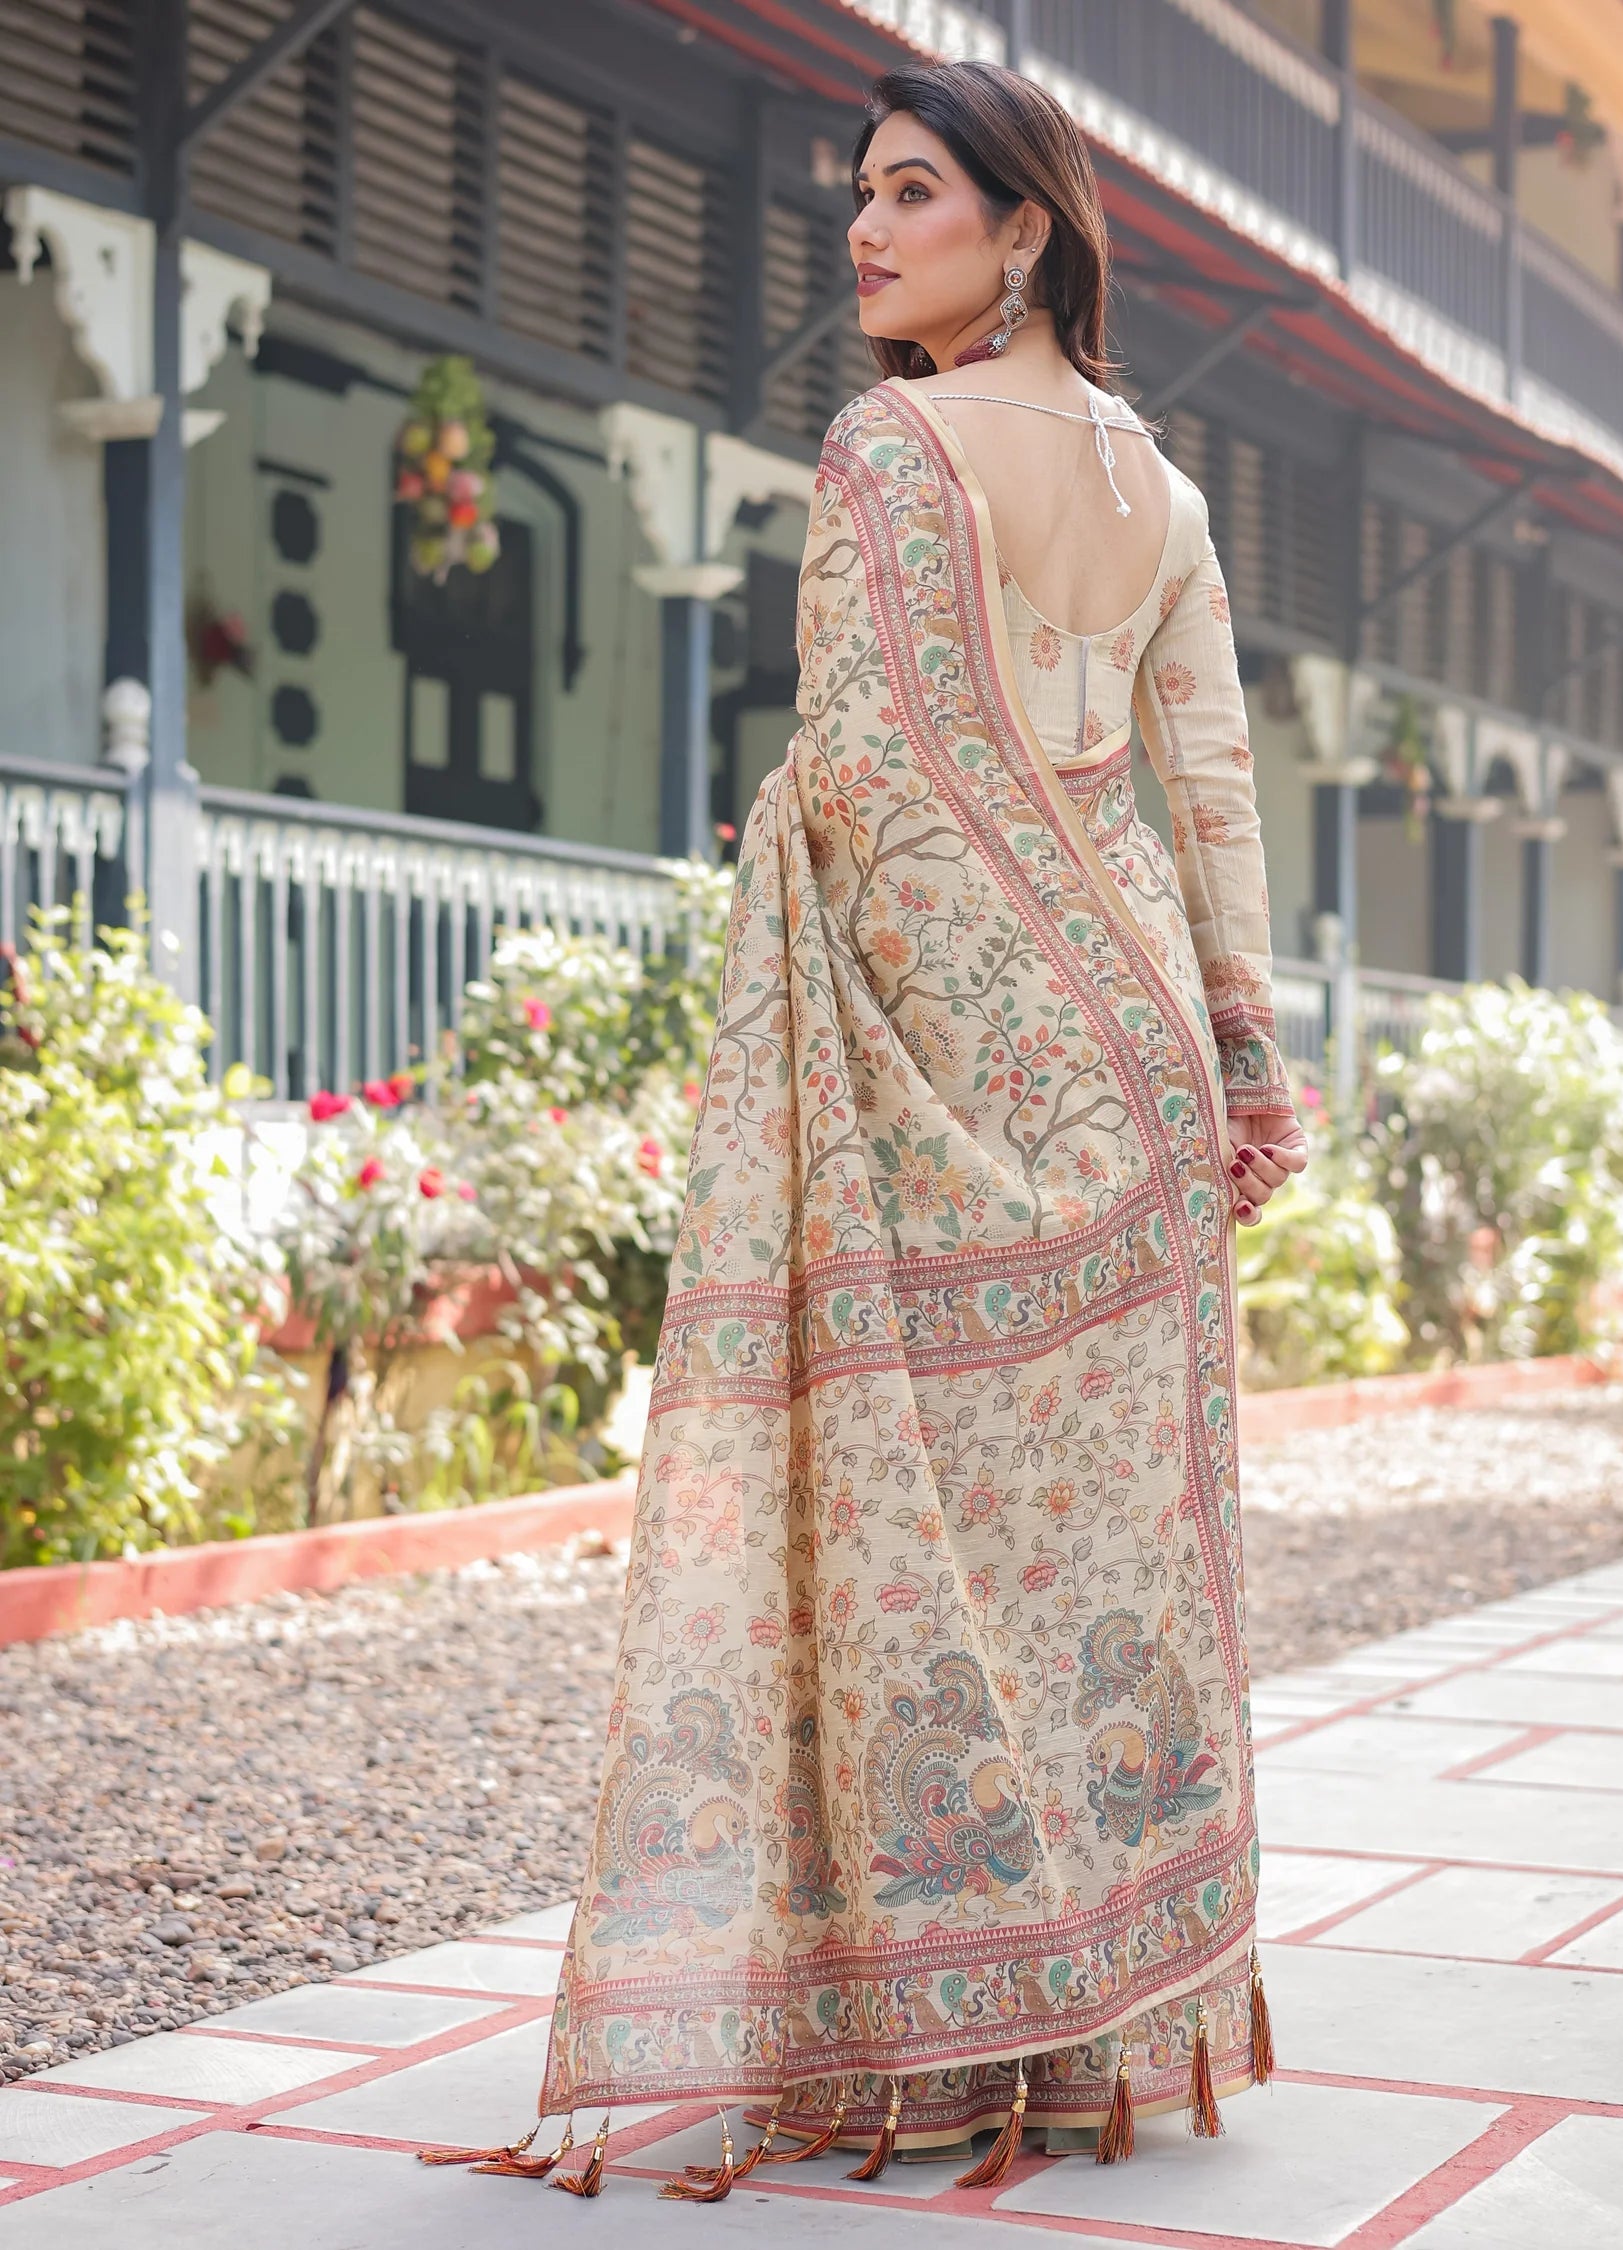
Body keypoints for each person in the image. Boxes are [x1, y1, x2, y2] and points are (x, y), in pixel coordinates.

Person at [424, 57, 1305, 2202]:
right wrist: (1248, 1059)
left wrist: (849, 1043)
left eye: (915, 194)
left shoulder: (893, 446)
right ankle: (1098, 2022)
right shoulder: (1164, 493)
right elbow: (1211, 802)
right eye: (860, 191)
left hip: (967, 1060)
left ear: (1029, 231)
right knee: (1100, 1559)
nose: (866, 228)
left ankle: (924, 2043)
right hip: (1139, 1078)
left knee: (925, 1551)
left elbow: (880, 788)